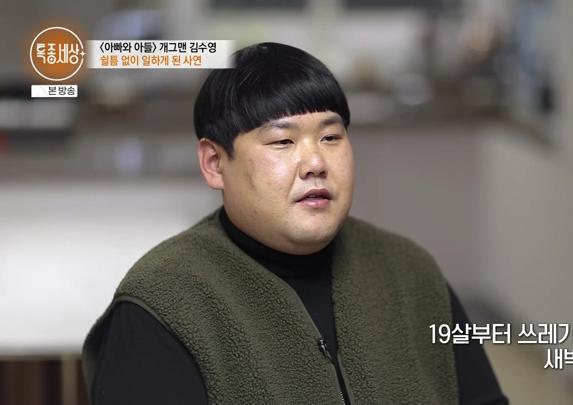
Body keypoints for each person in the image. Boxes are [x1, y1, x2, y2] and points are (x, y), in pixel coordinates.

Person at [82, 42, 508, 405]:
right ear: (214, 163)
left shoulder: (409, 272)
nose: (316, 163)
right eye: (283, 141)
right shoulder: (162, 304)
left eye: (331, 137)